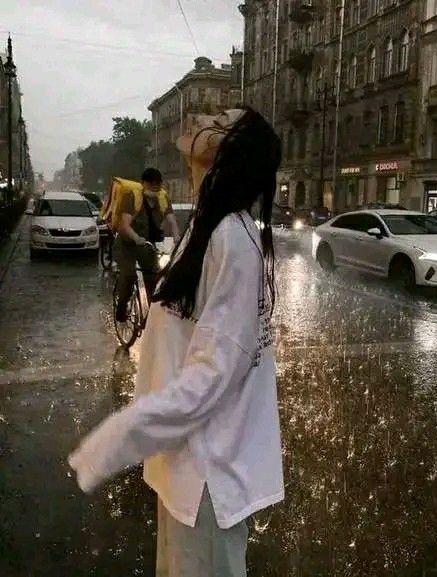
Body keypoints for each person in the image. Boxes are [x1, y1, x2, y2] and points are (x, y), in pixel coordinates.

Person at [68, 107, 284, 577]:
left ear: (226, 151)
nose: (206, 115)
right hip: (185, 469)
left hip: (206, 478)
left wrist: (119, 437)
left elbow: (211, 377)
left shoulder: (231, 239)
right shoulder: (210, 228)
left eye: (221, 118)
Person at [115, 168, 180, 323]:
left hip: (148, 245)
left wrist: (177, 235)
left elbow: (171, 219)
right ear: (144, 183)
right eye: (151, 184)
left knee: (155, 279)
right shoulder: (133, 197)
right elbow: (124, 224)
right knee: (129, 274)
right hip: (127, 244)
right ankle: (121, 306)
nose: (155, 187)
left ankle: (153, 318)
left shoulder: (163, 199)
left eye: (157, 184)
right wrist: (136, 237)